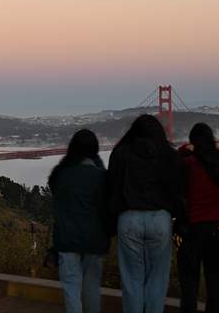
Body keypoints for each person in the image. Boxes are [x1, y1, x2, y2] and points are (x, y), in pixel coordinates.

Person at [107, 114, 185, 313]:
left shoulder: (119, 153)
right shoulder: (170, 154)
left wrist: (110, 223)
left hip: (128, 218)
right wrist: (181, 222)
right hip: (161, 220)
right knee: (158, 279)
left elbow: (112, 190)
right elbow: (178, 191)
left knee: (131, 278)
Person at [177, 123, 219, 313]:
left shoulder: (187, 164)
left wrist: (185, 148)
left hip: (190, 232)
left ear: (192, 142)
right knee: (216, 288)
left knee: (189, 286)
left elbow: (174, 159)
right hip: (218, 233)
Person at [48, 129, 110, 313]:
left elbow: (56, 197)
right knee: (91, 287)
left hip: (67, 238)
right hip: (94, 238)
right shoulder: (101, 176)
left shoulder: (60, 174)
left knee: (71, 288)